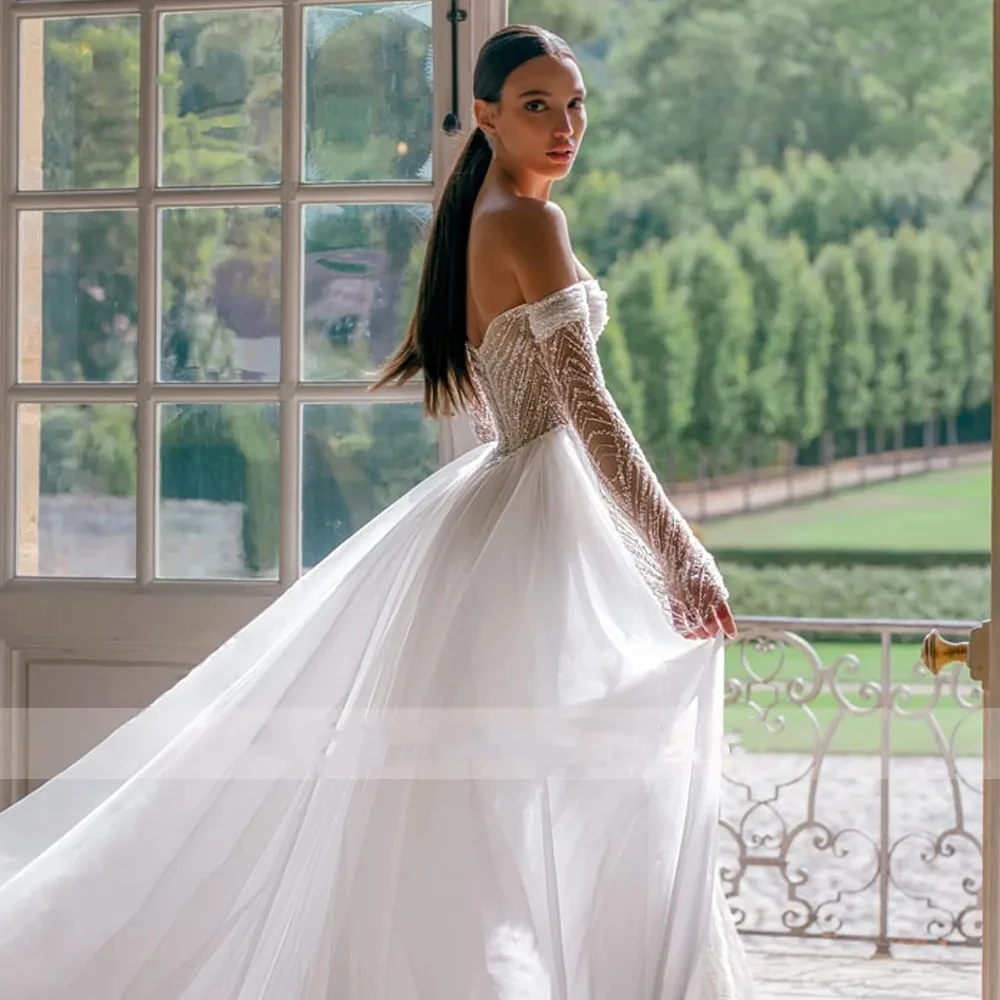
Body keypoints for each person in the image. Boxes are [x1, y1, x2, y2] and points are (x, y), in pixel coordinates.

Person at [0, 23, 755, 1000]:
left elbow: (505, 392)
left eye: (575, 105)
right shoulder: (528, 223)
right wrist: (678, 546)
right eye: (536, 106)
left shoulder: (481, 214)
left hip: (513, 497)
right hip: (539, 503)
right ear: (484, 116)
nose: (565, 126)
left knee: (495, 795)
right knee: (573, 775)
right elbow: (588, 406)